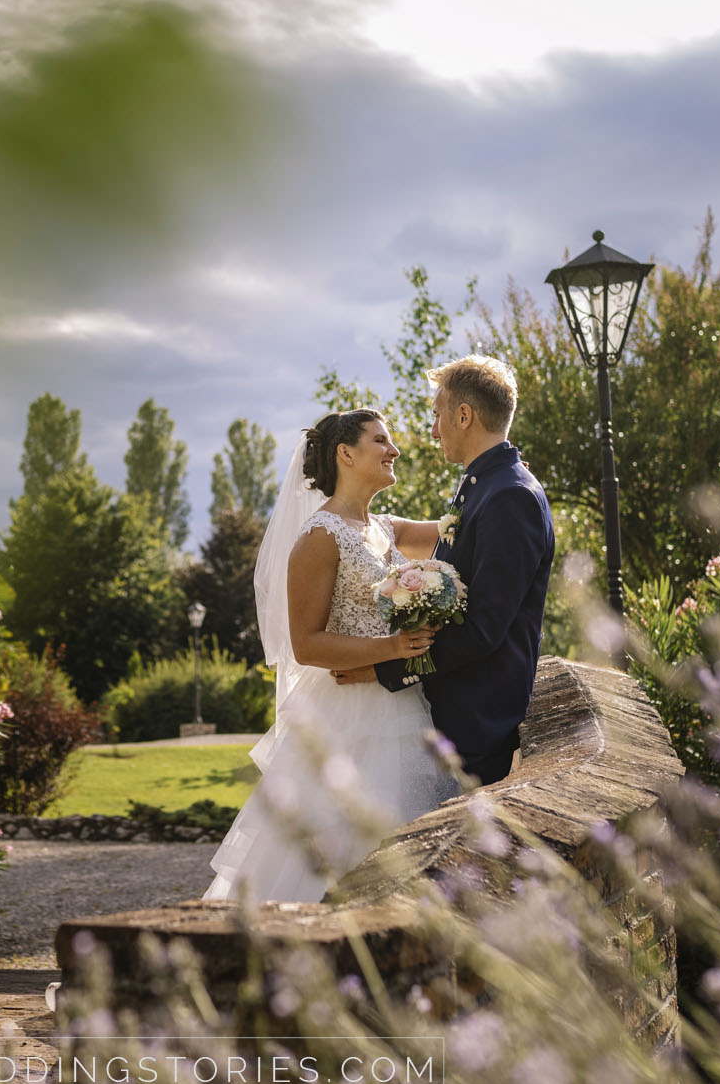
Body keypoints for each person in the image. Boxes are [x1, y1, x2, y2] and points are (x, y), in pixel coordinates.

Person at [200, 409, 461, 904]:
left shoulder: (385, 528)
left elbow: (458, 531)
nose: (395, 451)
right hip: (347, 718)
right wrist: (392, 648)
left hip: (404, 703)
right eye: (381, 440)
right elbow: (307, 643)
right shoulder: (320, 537)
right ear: (346, 453)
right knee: (341, 848)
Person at [359, 355, 555, 786]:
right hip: (458, 713)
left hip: (477, 724)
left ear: (463, 415)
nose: (432, 430)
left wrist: (384, 666)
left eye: (436, 415)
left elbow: (483, 630)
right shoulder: (484, 484)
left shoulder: (511, 497)